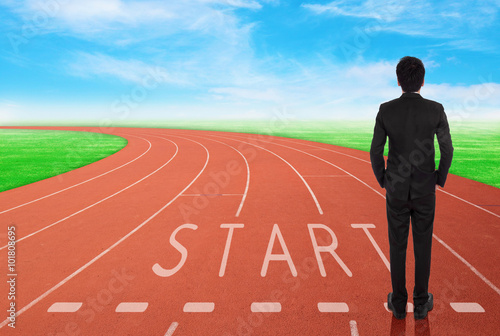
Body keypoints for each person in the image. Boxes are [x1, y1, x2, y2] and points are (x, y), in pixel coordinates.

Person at [370, 56, 454, 320]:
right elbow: (447, 148)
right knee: (423, 245)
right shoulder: (436, 109)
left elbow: (375, 151)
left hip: (396, 189)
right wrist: (439, 178)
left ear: (398, 81)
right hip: (425, 189)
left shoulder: (386, 110)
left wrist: (384, 179)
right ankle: (420, 303)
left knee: (397, 246)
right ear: (423, 81)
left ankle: (397, 303)